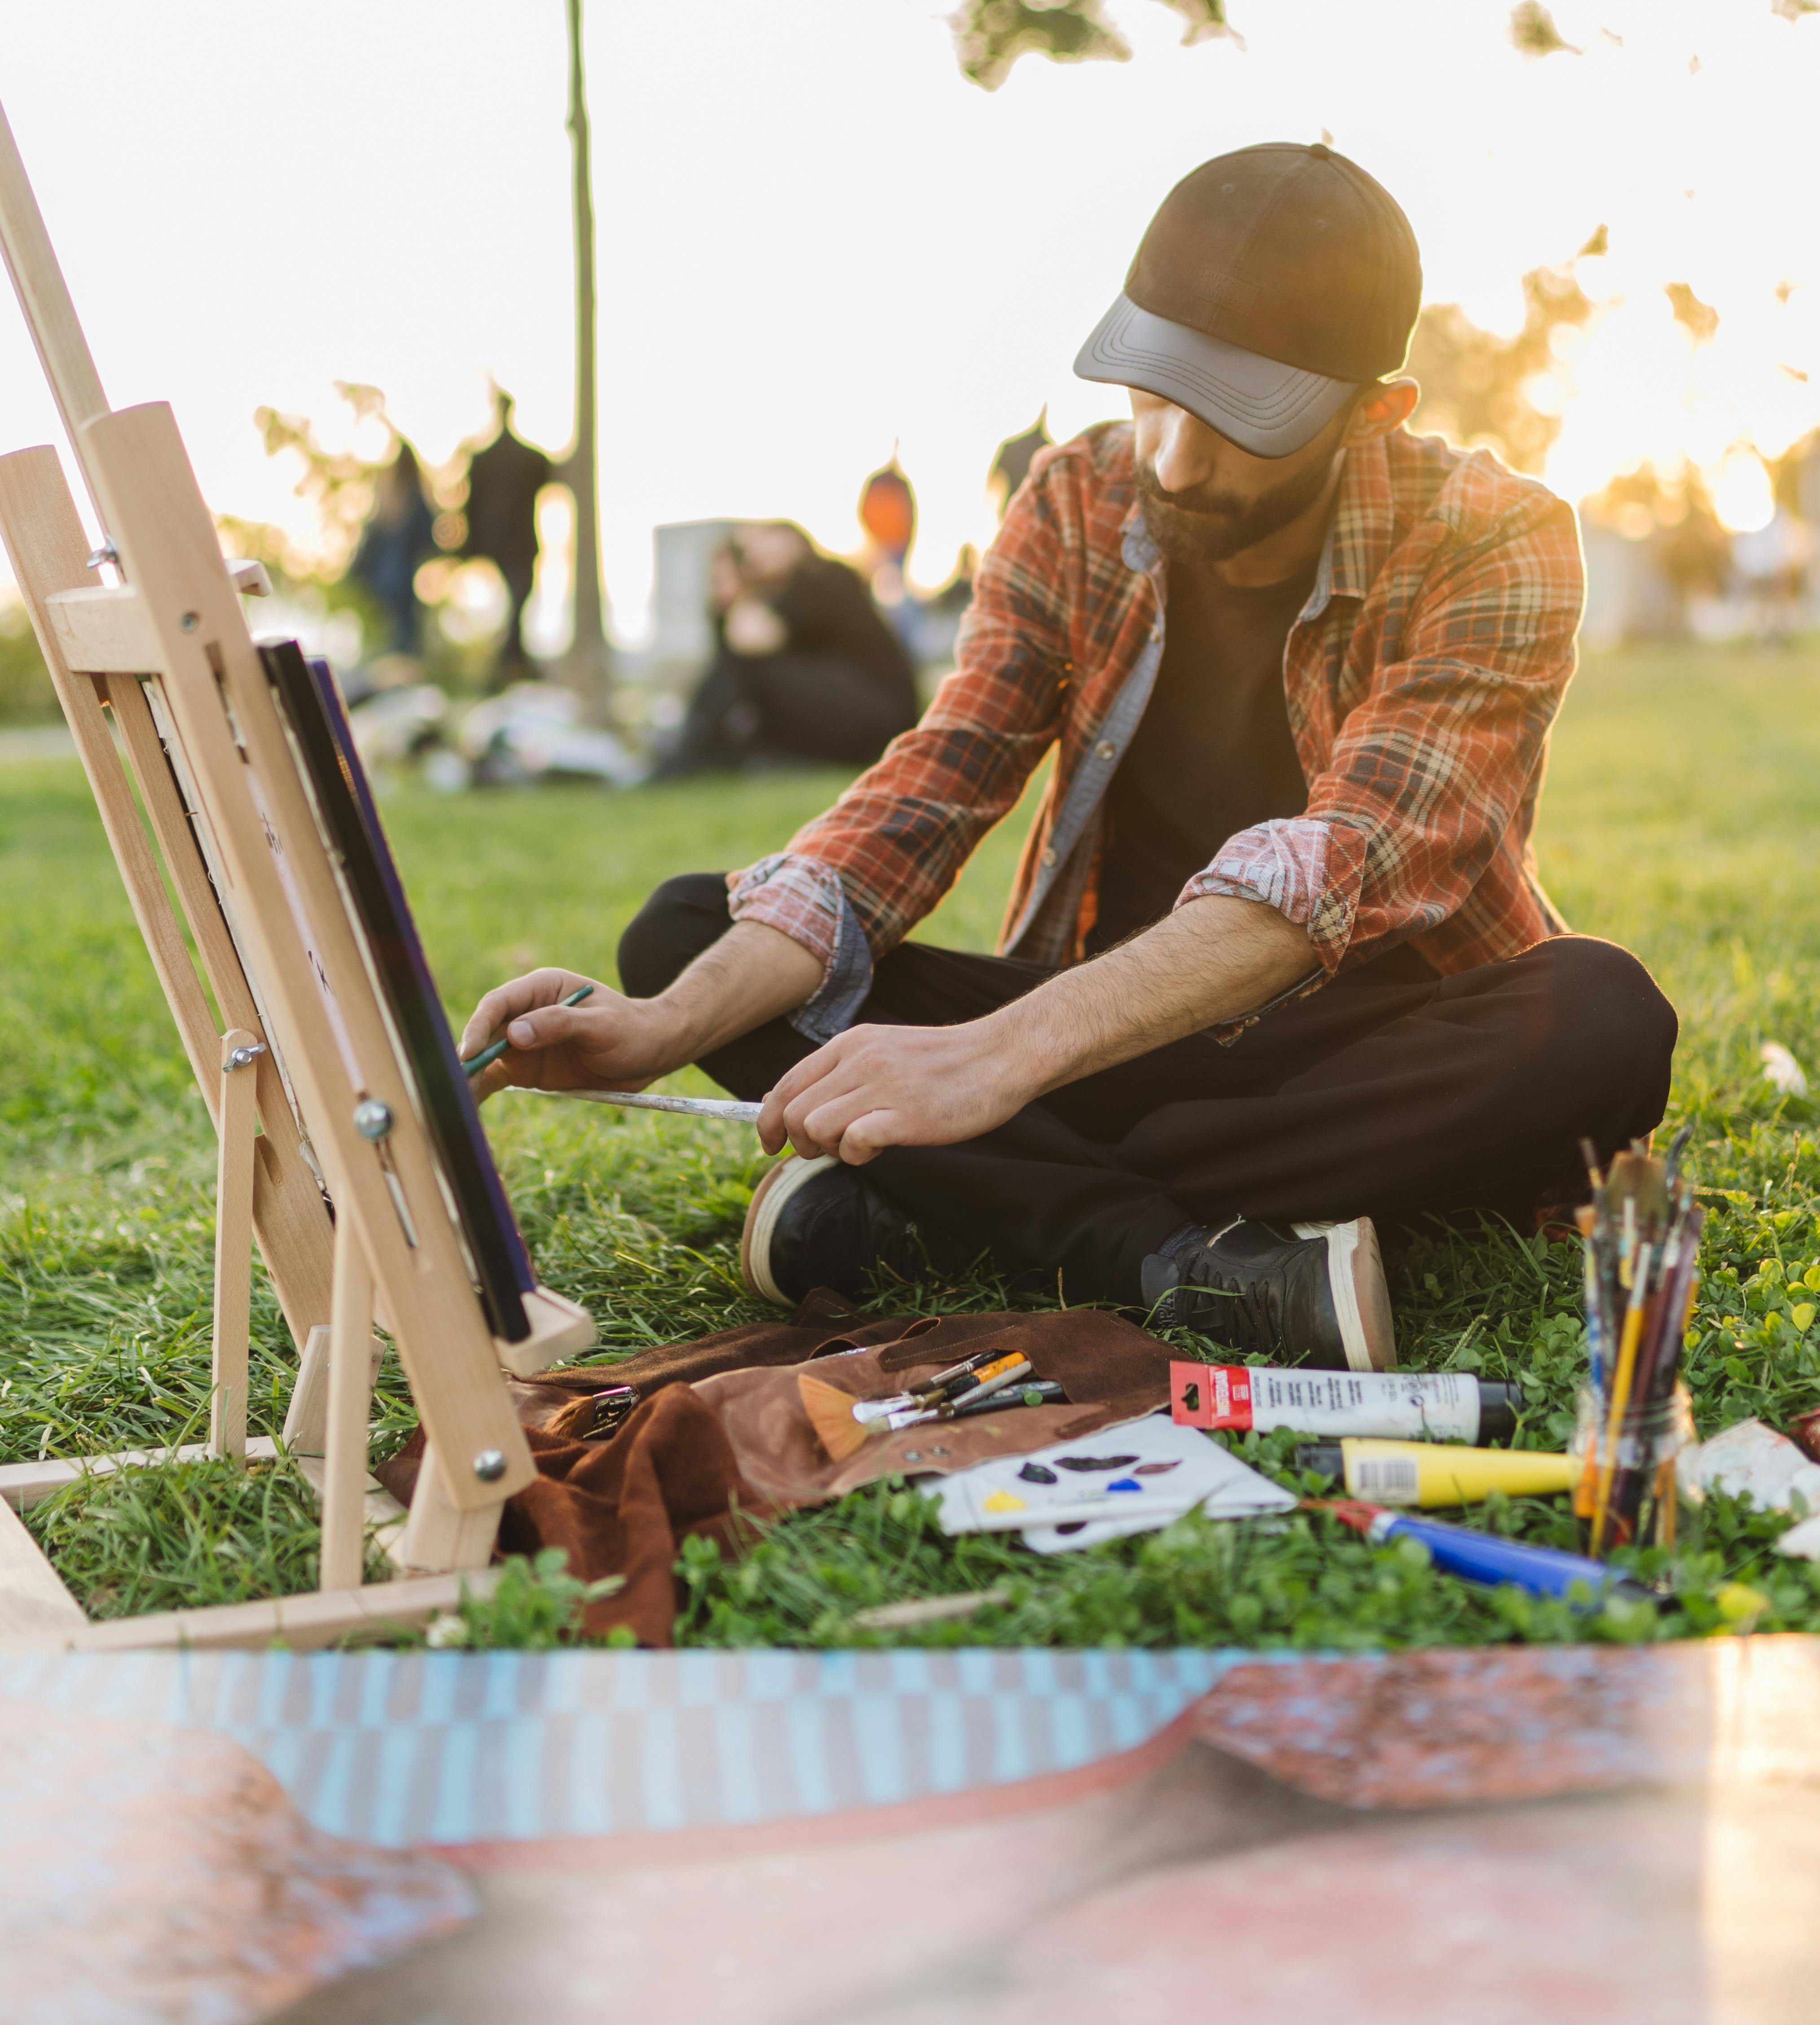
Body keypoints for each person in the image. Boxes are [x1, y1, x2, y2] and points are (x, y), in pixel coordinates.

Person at [462, 141, 1678, 1372]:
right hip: (1114, 1035)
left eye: (1238, 420)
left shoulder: (1495, 536)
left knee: (1598, 1014)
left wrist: (993, 1065)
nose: (1175, 461)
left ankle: (955, 1204)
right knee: (683, 930)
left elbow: (1342, 859)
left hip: (1359, 1051)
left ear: (1372, 412)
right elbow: (935, 780)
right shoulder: (1072, 499)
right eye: (1156, 394)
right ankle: (1154, 1249)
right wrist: (665, 1024)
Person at [658, 520, 919, 775]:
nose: (757, 552)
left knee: (754, 664)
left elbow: (752, 639)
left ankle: (689, 753)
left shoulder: (822, 578)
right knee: (752, 672)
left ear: (796, 543)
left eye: (767, 540)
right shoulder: (775, 596)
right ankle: (701, 752)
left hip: (879, 712)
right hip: (845, 710)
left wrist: (739, 601)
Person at [462, 388, 553, 683]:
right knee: (515, 604)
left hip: (513, 544)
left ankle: (511, 665)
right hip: (513, 545)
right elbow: (471, 505)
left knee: (517, 605)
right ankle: (511, 666)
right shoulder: (520, 458)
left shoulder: (514, 458)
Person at [351, 440, 439, 662]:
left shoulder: (388, 495)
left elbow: (371, 538)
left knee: (386, 634)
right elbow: (429, 536)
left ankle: (386, 670)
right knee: (404, 636)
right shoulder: (415, 497)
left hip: (381, 577)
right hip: (402, 577)